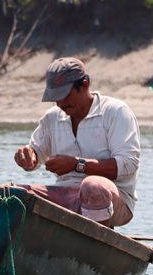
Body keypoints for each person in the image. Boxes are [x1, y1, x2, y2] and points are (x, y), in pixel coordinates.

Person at [13, 57, 140, 227]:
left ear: (85, 83)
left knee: (92, 186)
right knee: (10, 194)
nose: (60, 103)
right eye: (55, 97)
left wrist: (76, 165)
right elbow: (35, 154)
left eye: (65, 95)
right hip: (66, 196)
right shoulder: (52, 117)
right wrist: (27, 156)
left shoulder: (116, 112)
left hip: (116, 200)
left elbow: (128, 165)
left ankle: (97, 244)